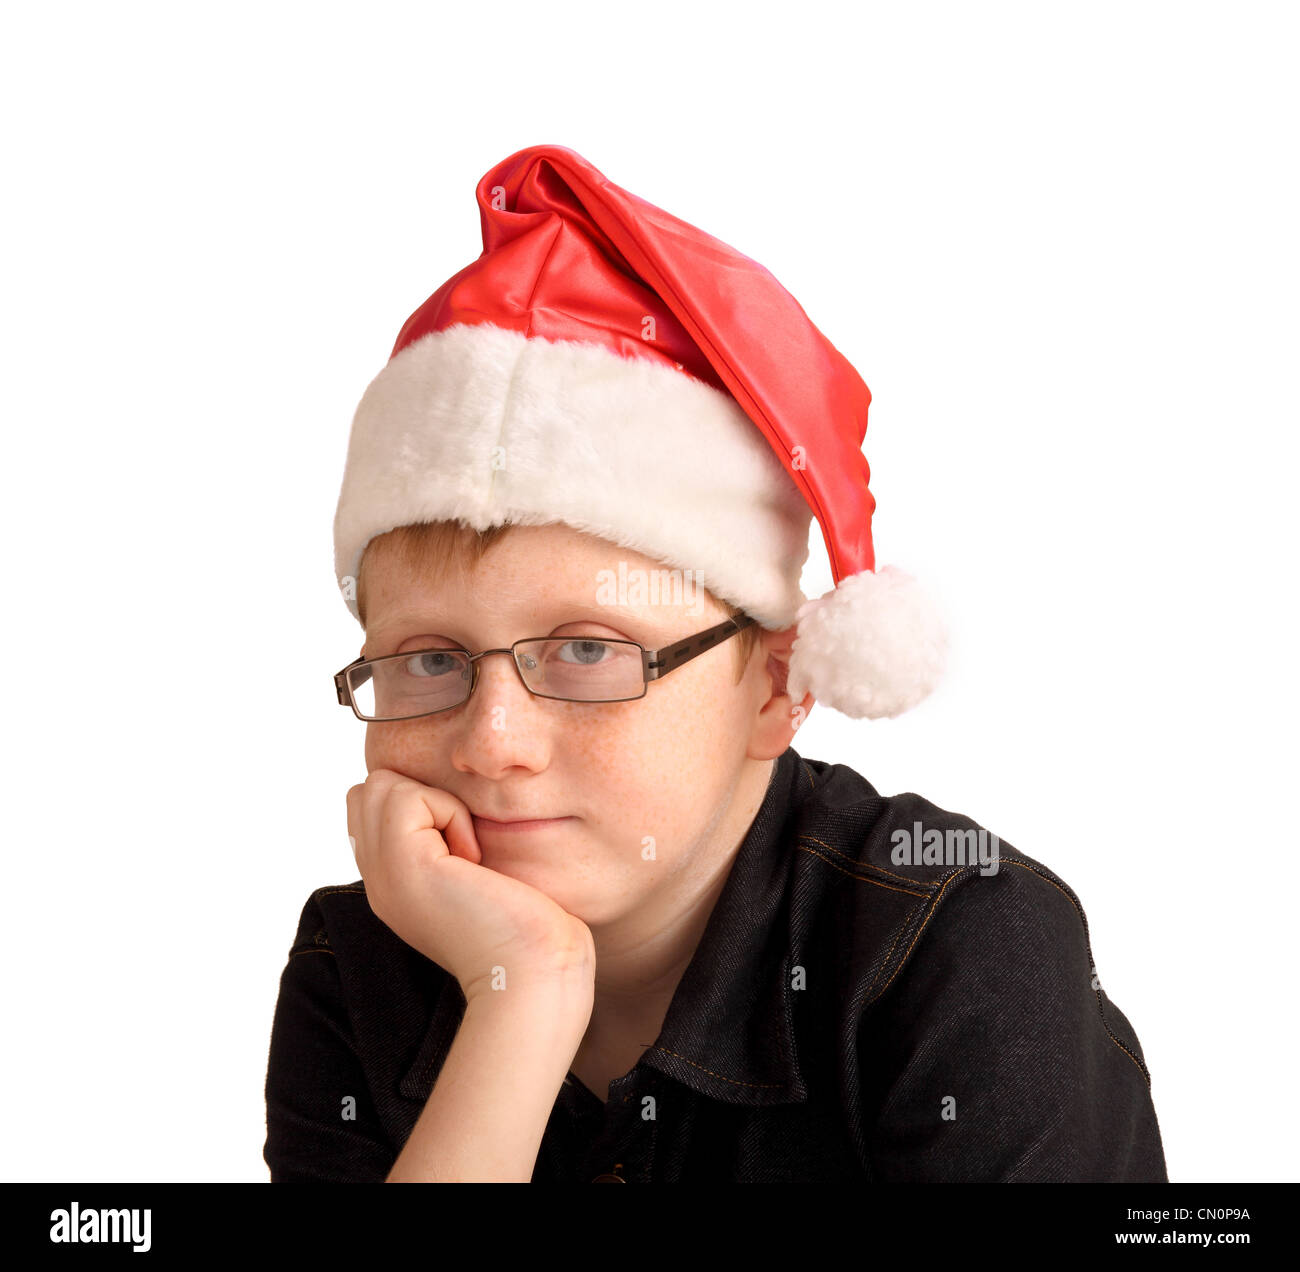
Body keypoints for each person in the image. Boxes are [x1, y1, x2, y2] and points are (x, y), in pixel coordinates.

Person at [262, 144, 1167, 1183]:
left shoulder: (960, 950)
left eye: (590, 649)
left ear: (779, 687)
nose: (491, 742)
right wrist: (523, 990)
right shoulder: (362, 958)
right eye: (428, 661)